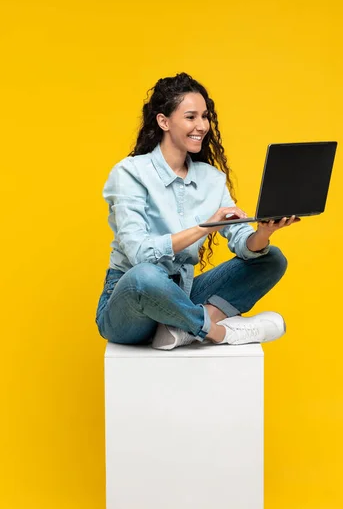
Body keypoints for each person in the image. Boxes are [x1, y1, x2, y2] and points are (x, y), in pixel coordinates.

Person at [95, 72, 300, 350]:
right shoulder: (130, 173)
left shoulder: (211, 179)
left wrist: (263, 233)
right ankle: (216, 332)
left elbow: (243, 243)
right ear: (163, 121)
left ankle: (183, 328)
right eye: (191, 117)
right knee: (146, 274)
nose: (202, 125)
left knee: (271, 258)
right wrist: (205, 228)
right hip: (131, 304)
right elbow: (139, 254)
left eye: (205, 116)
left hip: (183, 294)